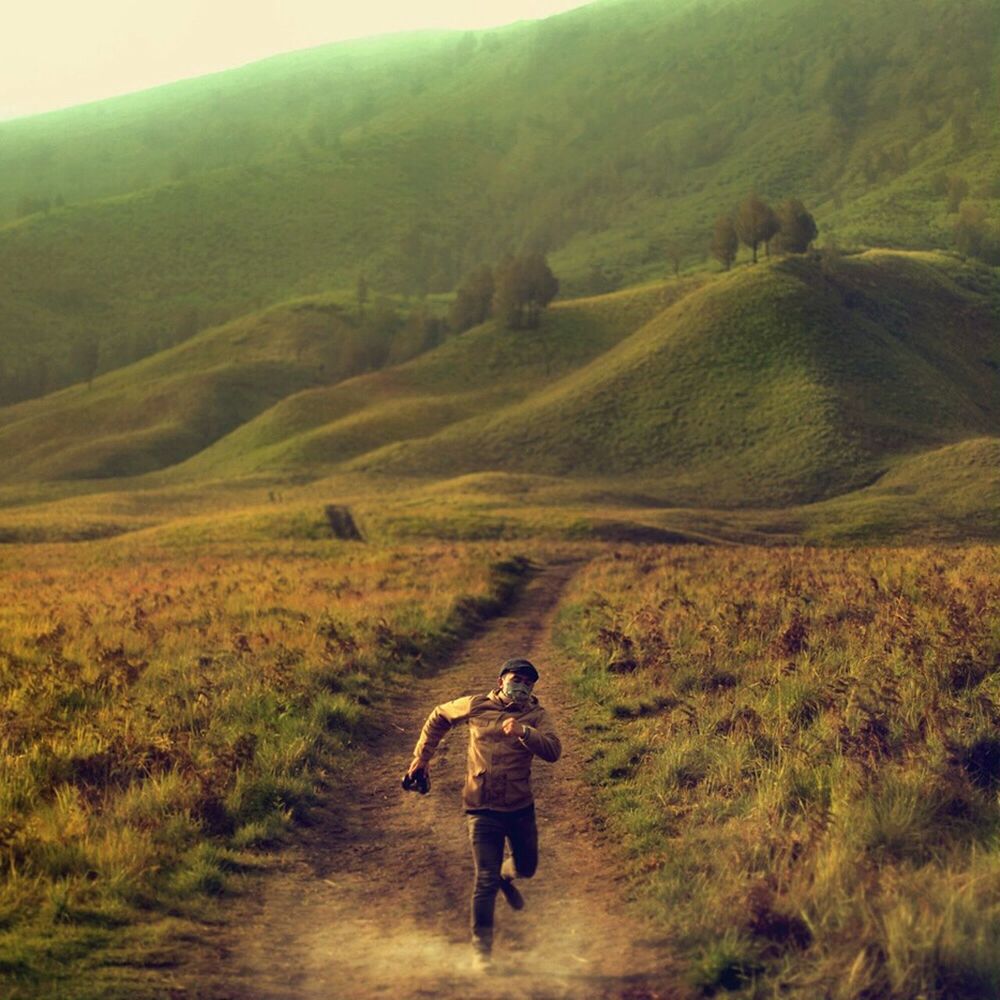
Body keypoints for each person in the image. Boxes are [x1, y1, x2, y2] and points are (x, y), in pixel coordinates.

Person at [404, 657, 561, 970]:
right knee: (484, 880)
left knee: (527, 867)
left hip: (519, 807)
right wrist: (422, 758)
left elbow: (554, 751)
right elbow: (439, 715)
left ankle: (507, 875)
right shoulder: (477, 705)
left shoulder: (537, 715)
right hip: (480, 806)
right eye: (517, 679)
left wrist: (525, 732)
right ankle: (482, 953)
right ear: (501, 680)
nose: (522, 686)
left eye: (528, 683)